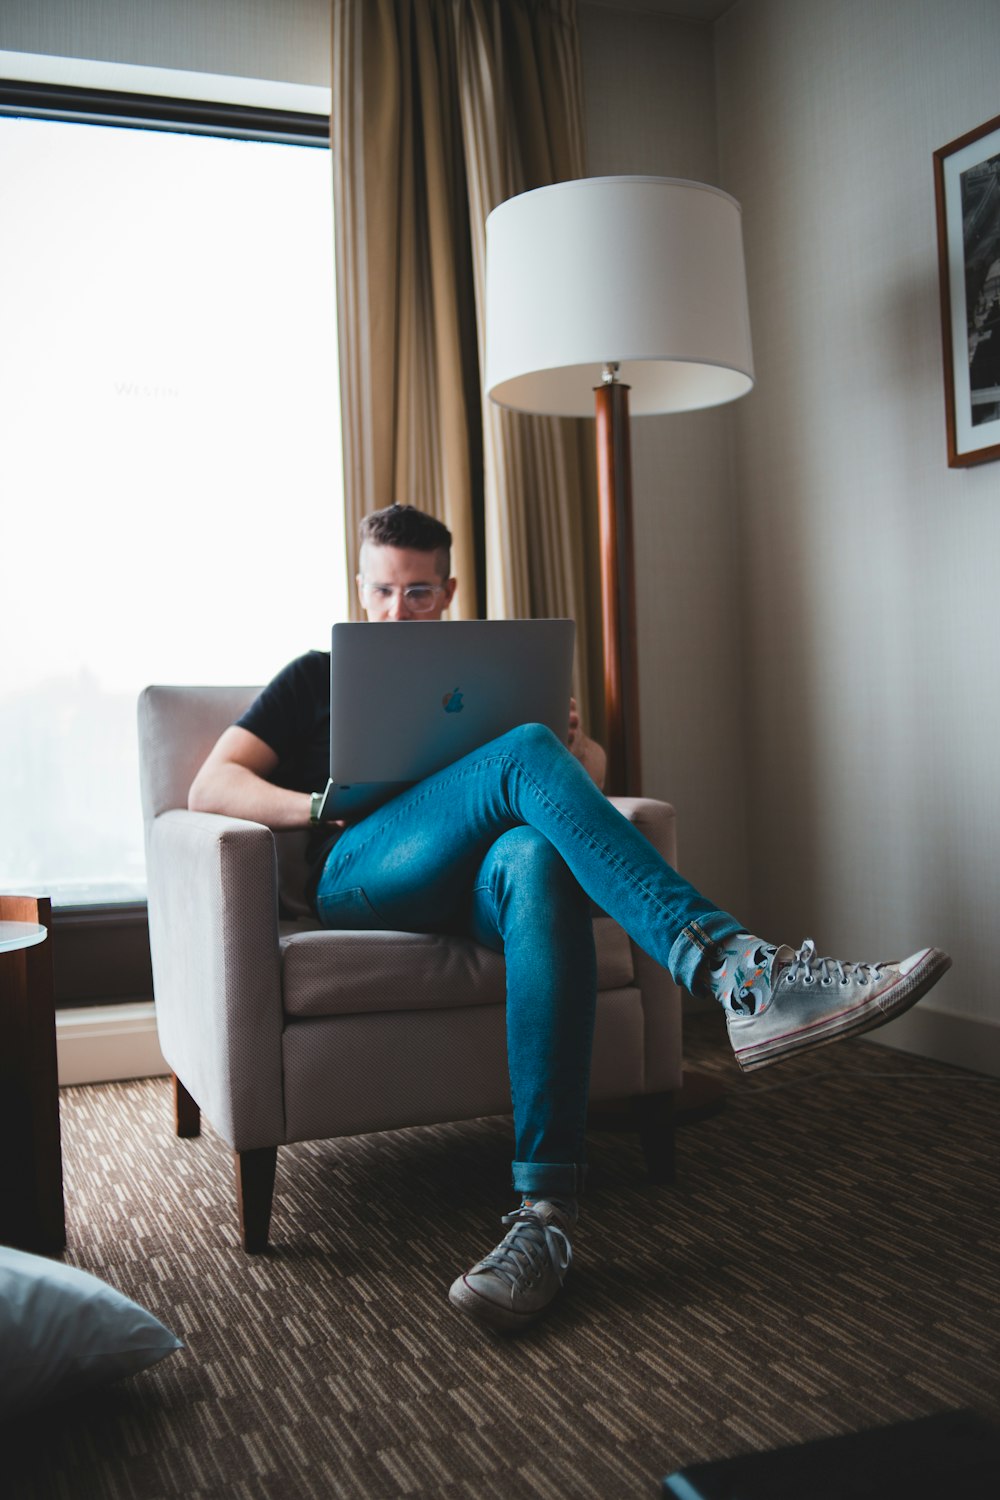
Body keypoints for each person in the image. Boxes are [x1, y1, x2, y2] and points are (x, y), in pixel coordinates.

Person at [189, 504, 951, 1334]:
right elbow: (211, 786)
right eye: (382, 592)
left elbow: (578, 791)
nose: (397, 609)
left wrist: (575, 748)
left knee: (543, 859)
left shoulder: (487, 678)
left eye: (417, 592)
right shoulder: (314, 675)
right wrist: (317, 802)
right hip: (362, 872)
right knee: (520, 750)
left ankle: (544, 1216)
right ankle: (738, 972)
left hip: (480, 880)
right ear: (359, 587)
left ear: (447, 590)